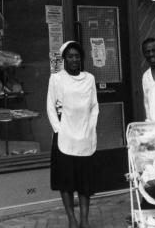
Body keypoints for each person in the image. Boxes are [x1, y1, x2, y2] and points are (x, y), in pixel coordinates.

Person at [47, 40, 99, 228]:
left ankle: (84, 220)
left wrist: (90, 129)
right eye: (70, 56)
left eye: (77, 56)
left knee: (85, 182)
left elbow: (94, 107)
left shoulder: (90, 79)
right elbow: (50, 107)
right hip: (63, 138)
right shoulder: (56, 79)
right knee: (66, 181)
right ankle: (71, 218)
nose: (74, 59)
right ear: (64, 59)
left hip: (84, 136)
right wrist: (59, 130)